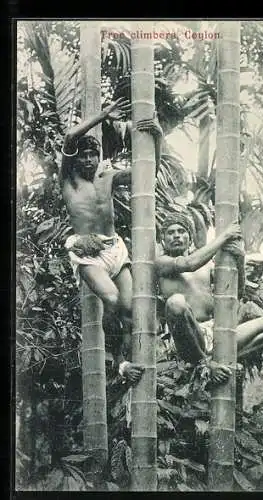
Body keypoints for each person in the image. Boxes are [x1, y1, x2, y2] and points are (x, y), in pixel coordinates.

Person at [61, 98, 163, 384]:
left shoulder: (108, 178)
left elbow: (148, 173)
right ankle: (117, 362)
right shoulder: (69, 183)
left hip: (115, 248)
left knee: (131, 309)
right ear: (75, 160)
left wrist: (157, 135)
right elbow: (71, 137)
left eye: (93, 156)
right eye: (83, 156)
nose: (88, 160)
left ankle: (127, 364)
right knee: (112, 299)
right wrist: (102, 115)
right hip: (87, 253)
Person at [155, 213, 263, 385]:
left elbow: (236, 295)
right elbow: (188, 264)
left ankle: (224, 360)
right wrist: (225, 236)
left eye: (181, 231)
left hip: (217, 334)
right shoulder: (161, 263)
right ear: (163, 240)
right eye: (171, 232)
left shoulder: (209, 266)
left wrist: (239, 260)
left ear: (189, 239)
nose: (176, 235)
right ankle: (204, 364)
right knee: (176, 302)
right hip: (189, 338)